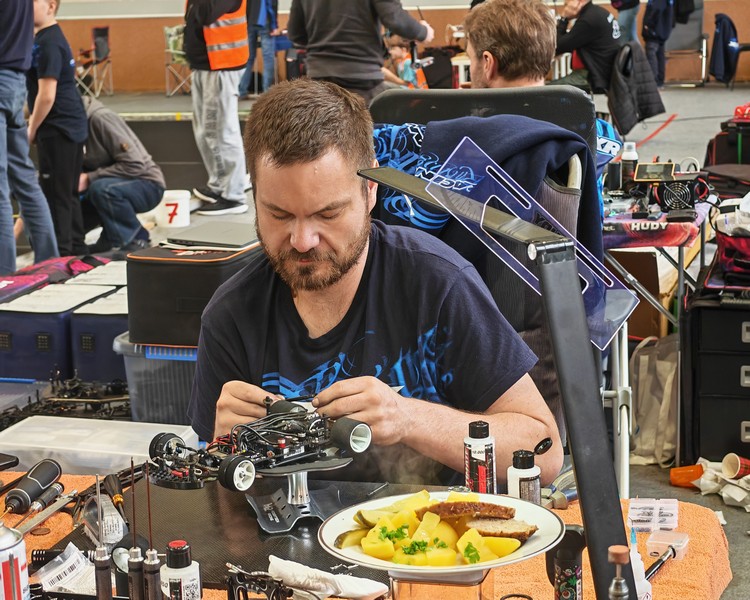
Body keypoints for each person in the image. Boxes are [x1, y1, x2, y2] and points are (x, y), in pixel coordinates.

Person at [188, 78, 563, 487]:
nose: (302, 240)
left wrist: (408, 418)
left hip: (432, 522)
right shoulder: (231, 314)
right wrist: (223, 450)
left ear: (370, 192)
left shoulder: (437, 285)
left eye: (327, 214)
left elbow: (543, 452)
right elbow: (211, 492)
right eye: (279, 215)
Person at [0, 0, 59, 275]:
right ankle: (50, 265)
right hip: (15, 83)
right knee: (24, 180)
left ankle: (3, 275)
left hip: (4, 80)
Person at [27, 0, 88, 257]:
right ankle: (76, 248)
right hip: (68, 124)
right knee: (67, 193)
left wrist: (31, 129)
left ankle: (63, 254)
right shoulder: (48, 38)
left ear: (51, 6)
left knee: (57, 195)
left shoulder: (48, 42)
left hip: (59, 127)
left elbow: (47, 95)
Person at [287, 0, 435, 105]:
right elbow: (395, 18)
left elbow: (296, 34)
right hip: (362, 80)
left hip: (319, 77)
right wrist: (423, 32)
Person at [184, 0, 250, 216]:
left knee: (220, 132)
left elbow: (206, 13)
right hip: (205, 65)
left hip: (222, 65)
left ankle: (233, 196)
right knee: (205, 132)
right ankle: (219, 185)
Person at [79, 97, 166, 253]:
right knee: (87, 192)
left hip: (146, 183)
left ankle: (136, 238)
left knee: (101, 189)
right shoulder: (71, 127)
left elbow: (135, 164)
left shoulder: (101, 118)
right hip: (112, 183)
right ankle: (110, 237)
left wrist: (89, 178)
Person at [554, 0, 622, 93]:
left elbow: (558, 46)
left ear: (580, 1)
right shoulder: (597, 12)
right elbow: (570, 42)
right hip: (606, 70)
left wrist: (564, 19)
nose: (565, 8)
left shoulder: (588, 19)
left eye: (567, 4)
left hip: (594, 76)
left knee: (547, 90)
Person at [238, 0, 280, 98]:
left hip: (247, 19)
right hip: (264, 19)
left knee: (248, 58)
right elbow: (271, 3)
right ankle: (267, 93)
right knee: (268, 57)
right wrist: (274, 25)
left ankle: (241, 90)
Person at [642, 0, 674, 87]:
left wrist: (648, 25)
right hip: (661, 31)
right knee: (660, 55)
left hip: (654, 31)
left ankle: (653, 80)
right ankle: (659, 79)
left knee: (651, 54)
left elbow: (656, 10)